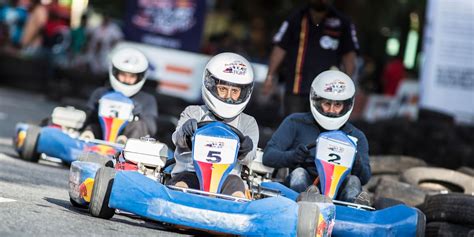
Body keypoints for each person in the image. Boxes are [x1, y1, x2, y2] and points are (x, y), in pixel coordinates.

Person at [262, 70, 370, 204]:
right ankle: (306, 203)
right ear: (316, 101)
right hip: (301, 191)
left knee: (354, 181)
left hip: (338, 199)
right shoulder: (296, 123)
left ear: (346, 105)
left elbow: (365, 178)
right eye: (327, 104)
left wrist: (356, 159)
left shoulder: (356, 136)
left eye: (337, 105)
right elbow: (268, 156)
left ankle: (351, 213)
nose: (331, 110)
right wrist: (293, 156)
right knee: (299, 173)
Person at [168, 52, 258, 198]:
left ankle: (232, 213)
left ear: (244, 92)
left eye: (234, 91)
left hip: (228, 179)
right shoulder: (194, 112)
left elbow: (250, 157)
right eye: (223, 89)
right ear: (211, 86)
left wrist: (244, 149)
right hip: (190, 172)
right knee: (182, 185)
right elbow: (176, 139)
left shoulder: (248, 122)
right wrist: (186, 132)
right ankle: (180, 210)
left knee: (237, 189)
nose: (229, 97)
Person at [263, 0, 359, 116]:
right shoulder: (296, 17)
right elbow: (280, 47)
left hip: (328, 92)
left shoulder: (343, 22)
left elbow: (349, 54)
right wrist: (270, 76)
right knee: (294, 127)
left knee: (322, 131)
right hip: (296, 88)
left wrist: (348, 85)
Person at [82, 47, 158, 140]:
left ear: (139, 77)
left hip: (129, 146)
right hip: (99, 139)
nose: (126, 79)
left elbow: (152, 129)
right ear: (115, 72)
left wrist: (139, 114)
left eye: (132, 76)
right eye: (123, 75)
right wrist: (97, 109)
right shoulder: (100, 93)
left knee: (138, 125)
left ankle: (122, 143)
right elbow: (86, 121)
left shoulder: (147, 100)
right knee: (91, 128)